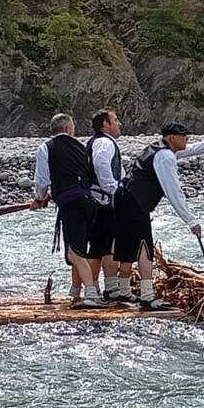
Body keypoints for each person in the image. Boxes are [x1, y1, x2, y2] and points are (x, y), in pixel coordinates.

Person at [114, 123, 204, 311]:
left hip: (125, 199)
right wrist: (191, 221)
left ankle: (122, 291)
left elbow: (192, 149)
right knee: (144, 247)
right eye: (183, 135)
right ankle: (147, 296)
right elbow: (173, 192)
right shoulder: (164, 157)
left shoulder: (160, 149)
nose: (187, 138)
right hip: (135, 203)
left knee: (127, 245)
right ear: (171, 137)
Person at [33, 113, 106, 309]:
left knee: (74, 253)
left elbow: (42, 180)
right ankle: (75, 292)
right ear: (67, 128)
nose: (74, 130)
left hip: (71, 203)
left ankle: (91, 293)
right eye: (73, 127)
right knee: (80, 248)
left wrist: (40, 198)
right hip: (90, 202)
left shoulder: (46, 148)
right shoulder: (81, 148)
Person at [87, 108, 132, 303]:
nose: (119, 123)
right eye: (116, 119)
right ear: (105, 124)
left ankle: (109, 287)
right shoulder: (105, 143)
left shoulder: (102, 142)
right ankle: (94, 289)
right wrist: (113, 190)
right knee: (99, 247)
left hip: (101, 199)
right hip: (102, 200)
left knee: (106, 246)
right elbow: (101, 164)